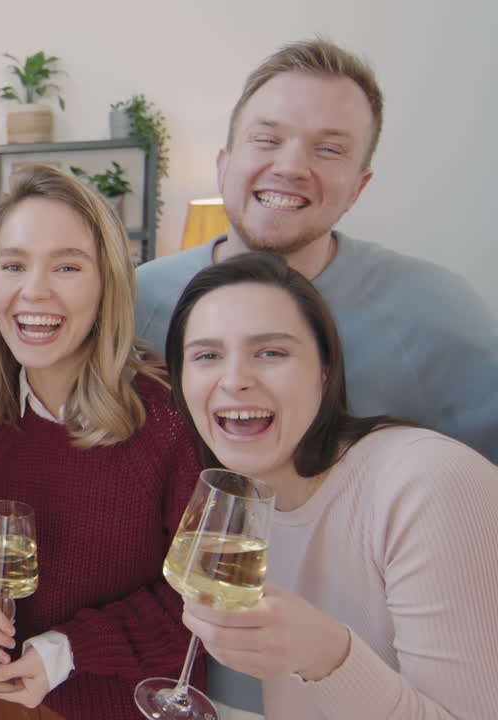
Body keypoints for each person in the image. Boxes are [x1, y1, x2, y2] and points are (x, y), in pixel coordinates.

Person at [164, 252, 498, 719]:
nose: (235, 380)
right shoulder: (246, 505)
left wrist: (326, 657)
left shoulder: (431, 484)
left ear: (325, 369)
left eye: (271, 352)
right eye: (207, 355)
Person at [134, 38, 498, 466]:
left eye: (328, 149)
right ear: (224, 164)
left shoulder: (438, 310)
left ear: (358, 187)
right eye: (267, 139)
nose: (290, 167)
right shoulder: (136, 301)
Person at [0, 165, 202, 719]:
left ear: (107, 282)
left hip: (130, 703)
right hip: (4, 696)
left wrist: (65, 651)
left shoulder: (167, 415)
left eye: (66, 266)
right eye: (13, 265)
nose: (33, 290)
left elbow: (196, 598)